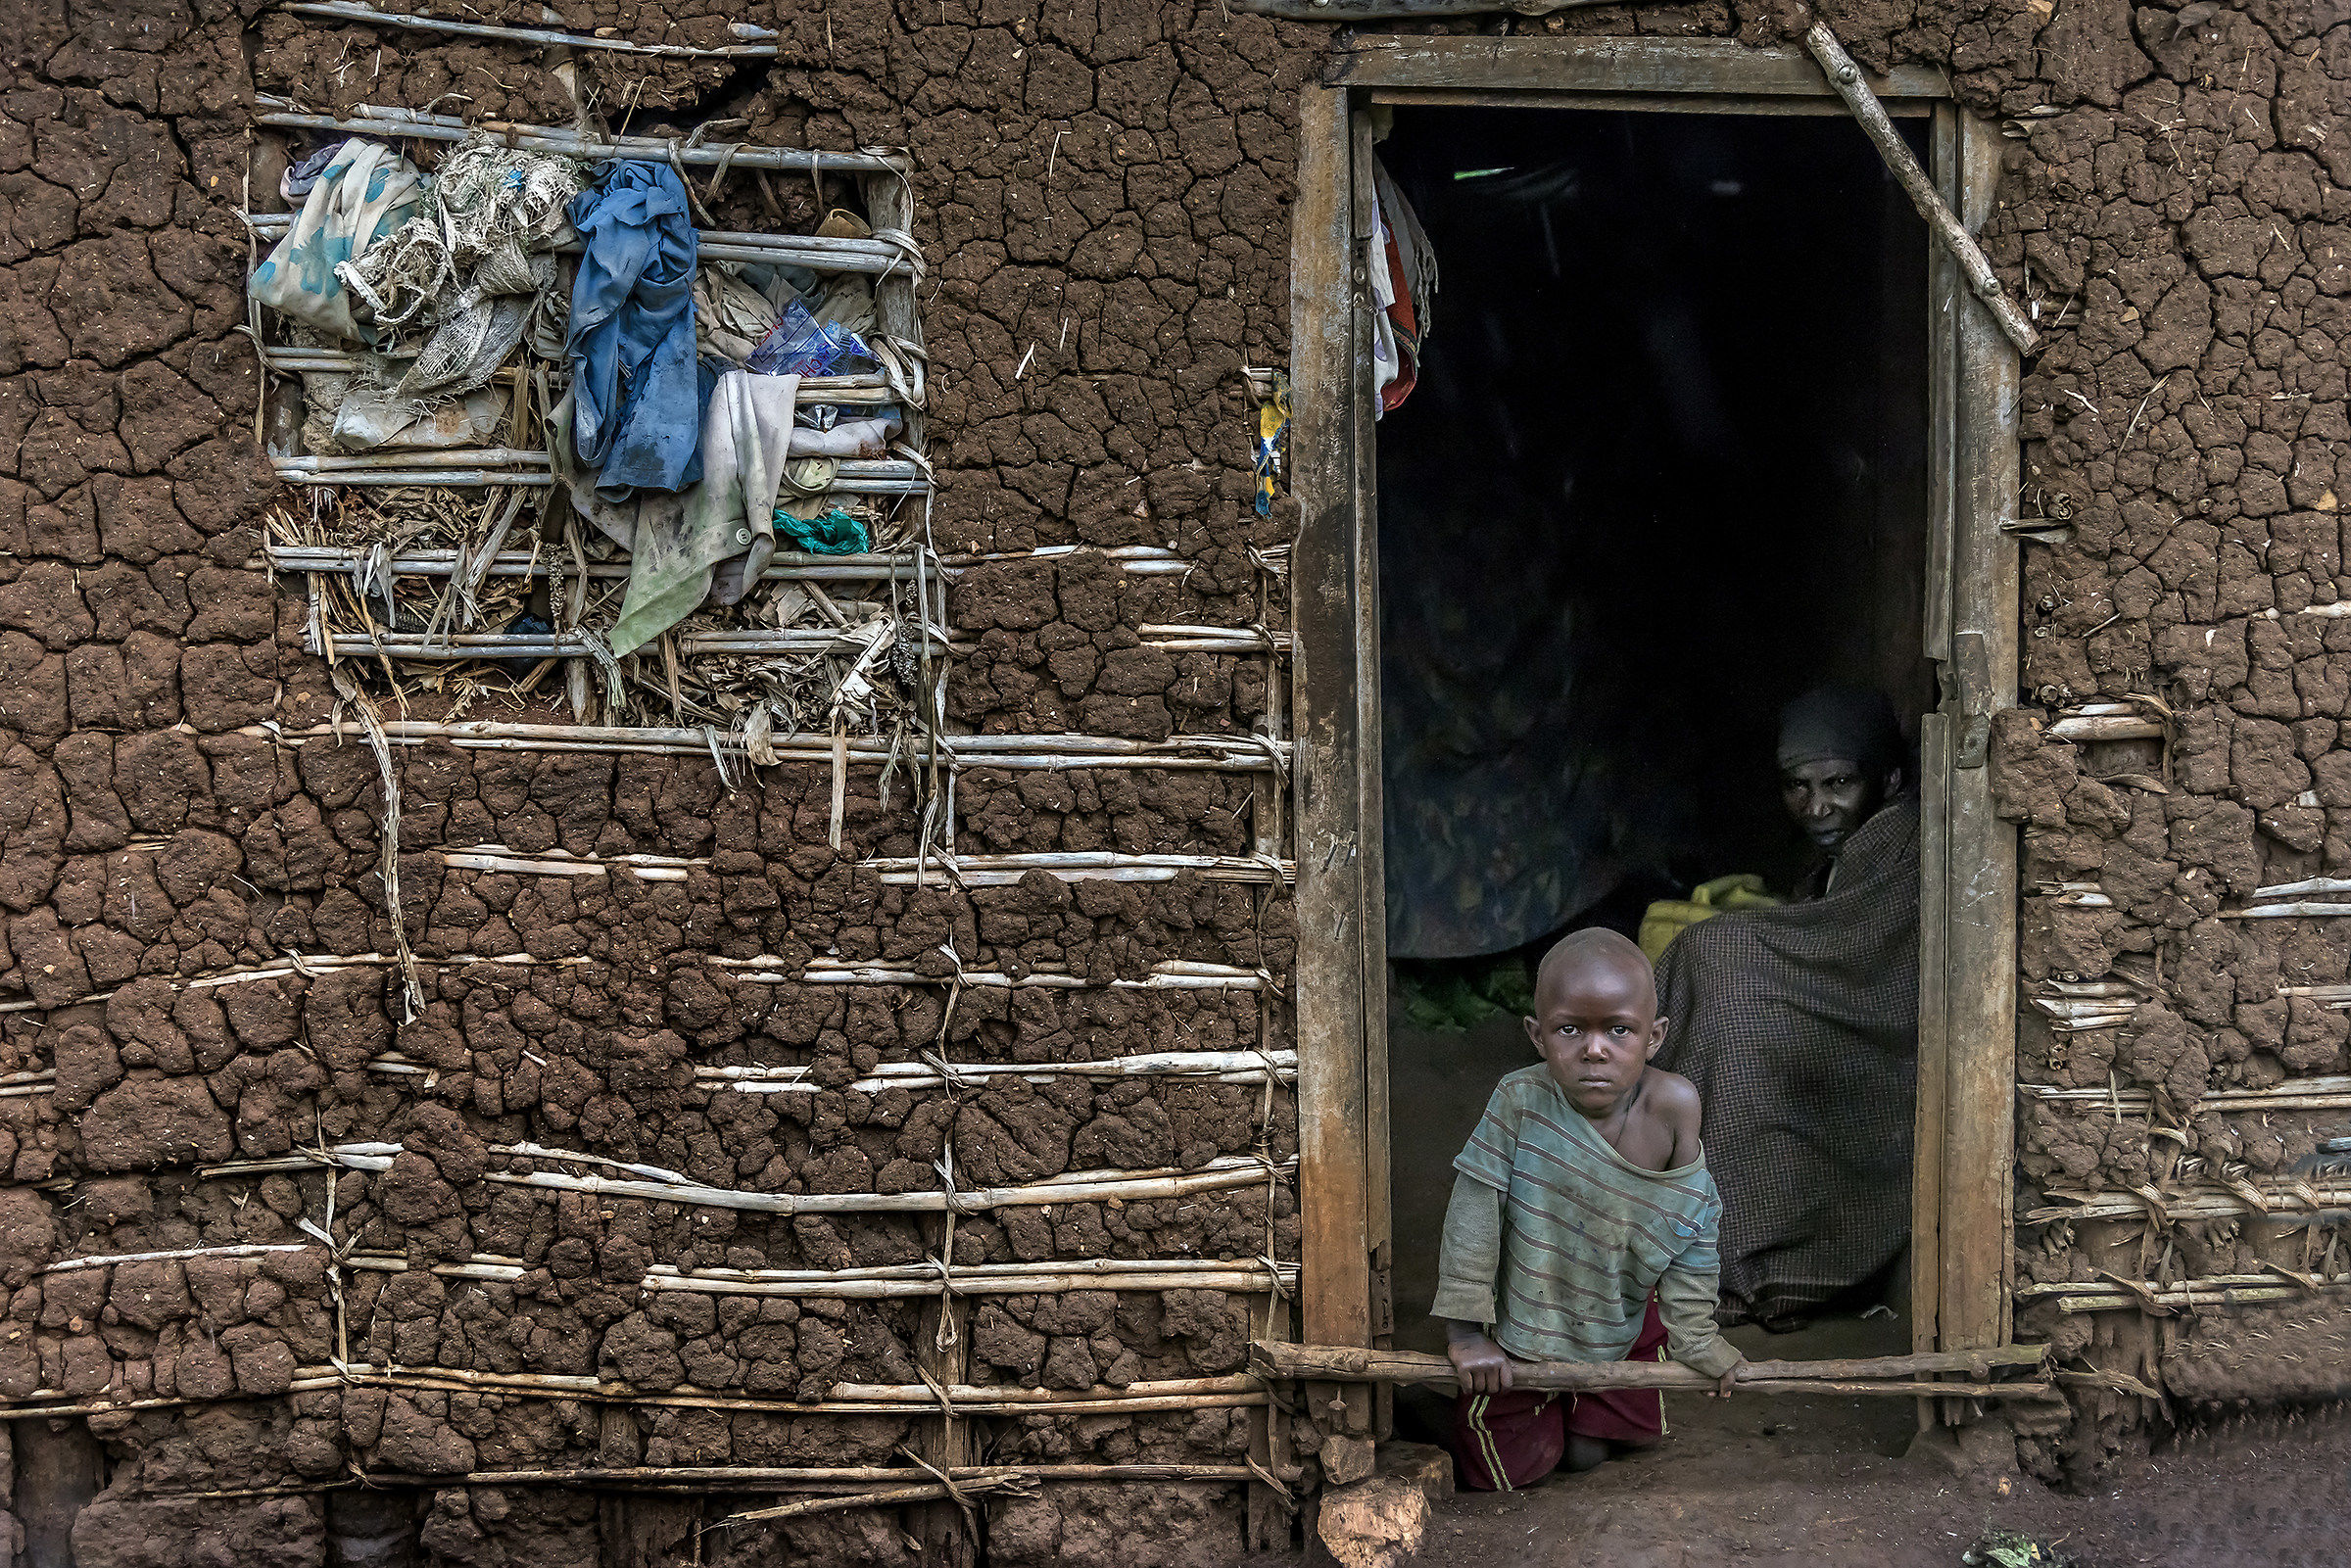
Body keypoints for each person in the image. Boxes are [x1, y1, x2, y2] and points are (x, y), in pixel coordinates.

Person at [1433, 928, 1745, 1492]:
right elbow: (1472, 1215)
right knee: (1512, 1472)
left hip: (1620, 1317)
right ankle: (1426, 1412)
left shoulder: (1673, 1107)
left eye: (1619, 1029)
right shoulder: (1520, 1101)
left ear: (1654, 1036)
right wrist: (1467, 1334)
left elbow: (1694, 1226)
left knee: (1586, 1454)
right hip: (1525, 1319)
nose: (1595, 1049)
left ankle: (1581, 1404)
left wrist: (1697, 1337)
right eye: (1570, 1029)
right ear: (1537, 1035)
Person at [1654, 685, 1920, 1329]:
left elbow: (1865, 967)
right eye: (1798, 786)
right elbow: (1824, 940)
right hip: (1834, 1030)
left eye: (1838, 783)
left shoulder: (1901, 841)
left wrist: (1739, 946)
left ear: (1887, 780)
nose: (1816, 806)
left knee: (1716, 965)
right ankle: (1703, 1247)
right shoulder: (1844, 853)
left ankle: (1749, 1263)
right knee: (1724, 1010)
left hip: (1883, 1060)